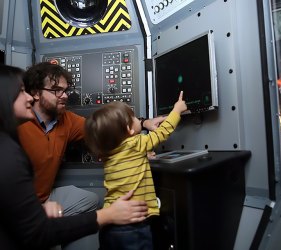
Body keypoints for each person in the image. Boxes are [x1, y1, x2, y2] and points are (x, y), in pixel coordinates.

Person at [17, 62, 165, 249]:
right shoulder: (18, 123)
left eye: (65, 90)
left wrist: (141, 131)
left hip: (45, 197)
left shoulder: (67, 120)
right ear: (36, 93)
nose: (64, 96)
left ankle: (62, 231)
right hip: (23, 203)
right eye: (56, 90)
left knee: (92, 200)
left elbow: (104, 131)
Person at [84, 91, 187, 250]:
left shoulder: (107, 153)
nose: (137, 119)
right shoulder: (135, 144)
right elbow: (162, 133)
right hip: (133, 225)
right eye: (133, 117)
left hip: (111, 222)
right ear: (129, 130)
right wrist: (176, 110)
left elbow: (124, 156)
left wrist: (142, 155)